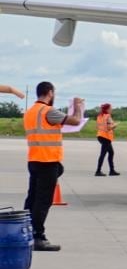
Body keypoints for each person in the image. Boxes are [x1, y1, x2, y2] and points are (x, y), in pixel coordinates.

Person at [24, 81, 84, 252]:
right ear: (49, 92)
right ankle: (38, 237)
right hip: (47, 161)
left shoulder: (30, 112)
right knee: (43, 201)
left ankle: (27, 232)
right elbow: (75, 121)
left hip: (34, 159)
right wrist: (78, 106)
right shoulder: (48, 111)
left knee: (32, 198)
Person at [95, 103, 119, 176]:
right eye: (111, 108)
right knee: (103, 154)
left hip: (100, 136)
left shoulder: (99, 116)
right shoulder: (108, 116)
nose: (112, 109)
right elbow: (109, 127)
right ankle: (98, 171)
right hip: (106, 137)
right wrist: (115, 125)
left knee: (111, 153)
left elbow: (97, 126)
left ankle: (112, 170)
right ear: (107, 109)